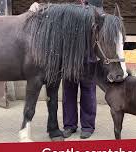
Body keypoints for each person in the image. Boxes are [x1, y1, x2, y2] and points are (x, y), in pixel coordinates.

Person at [29, 0, 104, 139]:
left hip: (88, 58)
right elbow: (56, 11)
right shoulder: (71, 5)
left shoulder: (96, 6)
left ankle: (87, 126)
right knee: (68, 93)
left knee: (88, 93)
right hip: (69, 58)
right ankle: (70, 125)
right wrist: (39, 7)